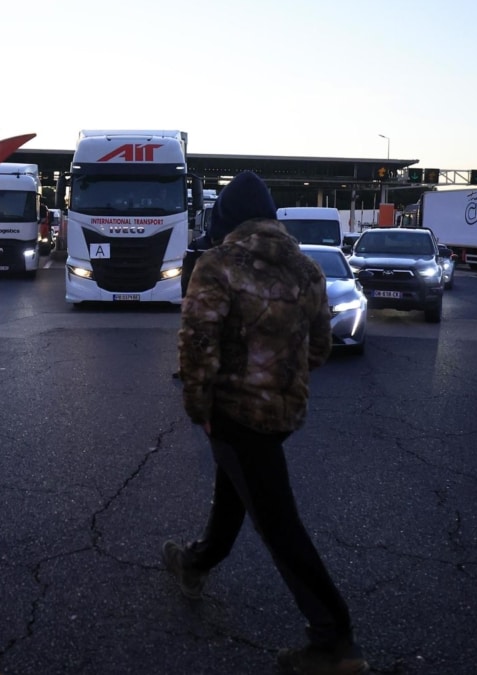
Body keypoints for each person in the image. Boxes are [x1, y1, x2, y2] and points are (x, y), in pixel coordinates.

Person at [164, 171, 368, 675]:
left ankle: (333, 641)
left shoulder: (218, 265)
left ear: (226, 219)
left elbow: (197, 345)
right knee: (237, 492)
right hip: (281, 414)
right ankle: (194, 562)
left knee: (279, 525)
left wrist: (201, 409)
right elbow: (320, 346)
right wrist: (280, 382)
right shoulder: (307, 269)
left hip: (234, 415)